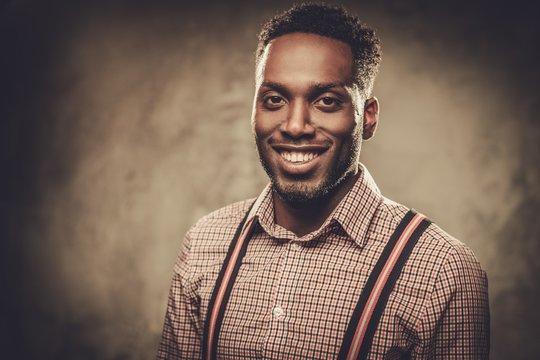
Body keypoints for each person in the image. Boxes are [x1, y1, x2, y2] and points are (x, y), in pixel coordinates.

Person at [157, 3, 489, 359]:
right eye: (274, 99)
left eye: (327, 101)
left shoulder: (443, 270)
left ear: (368, 117)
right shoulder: (205, 244)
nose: (295, 126)